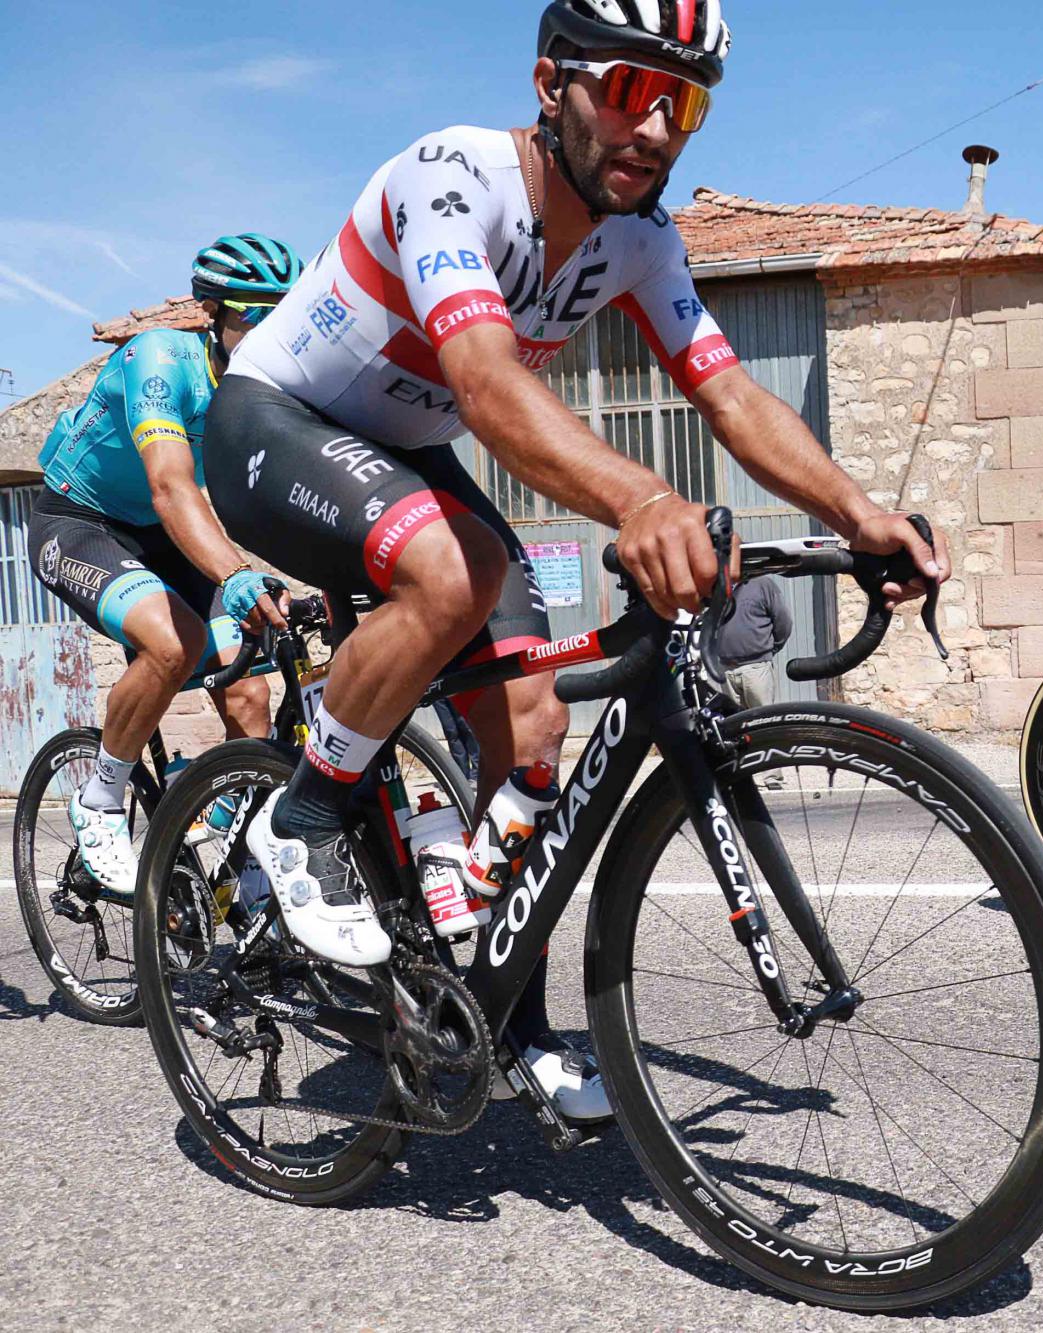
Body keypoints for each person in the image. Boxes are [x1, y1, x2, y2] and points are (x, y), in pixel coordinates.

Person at [200, 0, 944, 1122]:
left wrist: (858, 513)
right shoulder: (451, 178)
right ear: (553, 85)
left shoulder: (642, 239)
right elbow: (487, 382)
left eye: (683, 103)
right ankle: (301, 818)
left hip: (403, 454)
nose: (657, 128)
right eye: (633, 90)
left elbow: (731, 396)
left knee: (536, 725)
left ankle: (508, 1018)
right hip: (276, 424)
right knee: (456, 571)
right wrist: (641, 496)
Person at [29, 235, 298, 894]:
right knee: (172, 642)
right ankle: (100, 798)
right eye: (253, 315)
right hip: (81, 522)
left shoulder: (263, 382)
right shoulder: (159, 360)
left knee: (249, 692)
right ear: (212, 313)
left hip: (162, 535)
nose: (269, 331)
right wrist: (234, 574)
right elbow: (173, 487)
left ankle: (235, 853)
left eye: (283, 315)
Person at [716, 573, 791, 707]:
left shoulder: (763, 584)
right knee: (733, 719)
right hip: (726, 670)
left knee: (763, 717)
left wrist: (771, 649)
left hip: (756, 669)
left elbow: (784, 622)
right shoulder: (719, 586)